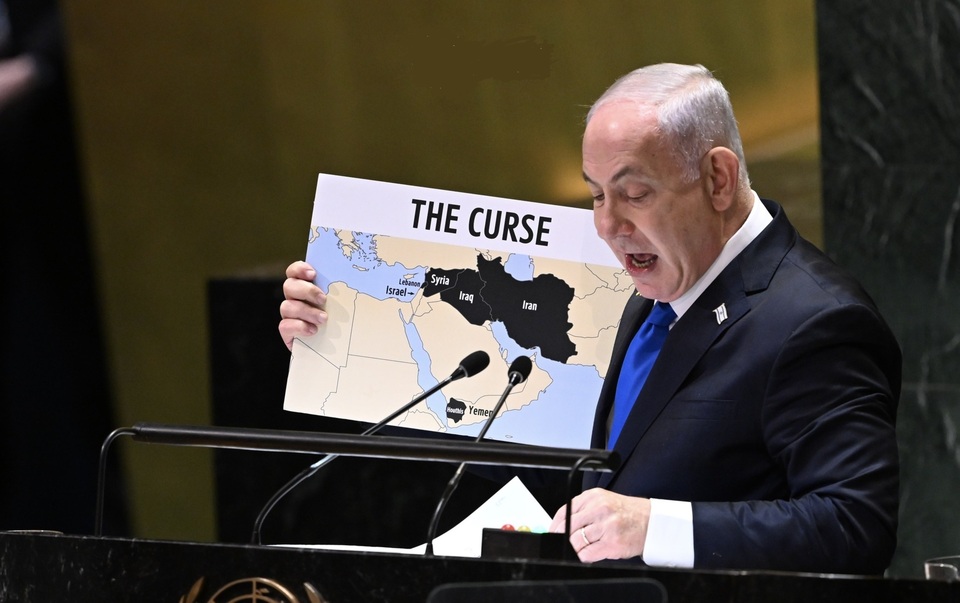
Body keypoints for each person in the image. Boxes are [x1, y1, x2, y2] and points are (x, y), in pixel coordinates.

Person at [278, 63, 901, 574]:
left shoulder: (816, 321)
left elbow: (855, 525)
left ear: (717, 177)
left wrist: (654, 525)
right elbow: (579, 462)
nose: (607, 225)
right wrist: (340, 337)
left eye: (634, 194)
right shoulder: (650, 290)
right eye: (597, 194)